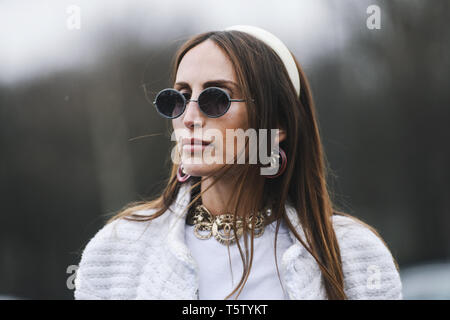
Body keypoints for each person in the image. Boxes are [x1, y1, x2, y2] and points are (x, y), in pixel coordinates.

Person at [74, 25, 402, 300]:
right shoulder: (118, 251)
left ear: (278, 127)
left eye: (216, 98)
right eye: (178, 97)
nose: (189, 117)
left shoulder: (354, 255)